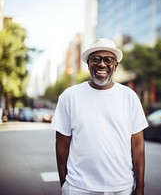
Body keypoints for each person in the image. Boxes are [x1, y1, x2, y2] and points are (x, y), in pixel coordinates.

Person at [51, 38, 148, 195]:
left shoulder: (129, 96)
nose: (102, 64)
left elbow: (137, 145)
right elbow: (62, 145)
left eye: (108, 60)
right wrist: (65, 184)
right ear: (88, 63)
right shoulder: (69, 96)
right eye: (96, 59)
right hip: (78, 188)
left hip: (122, 188)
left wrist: (140, 187)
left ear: (115, 66)